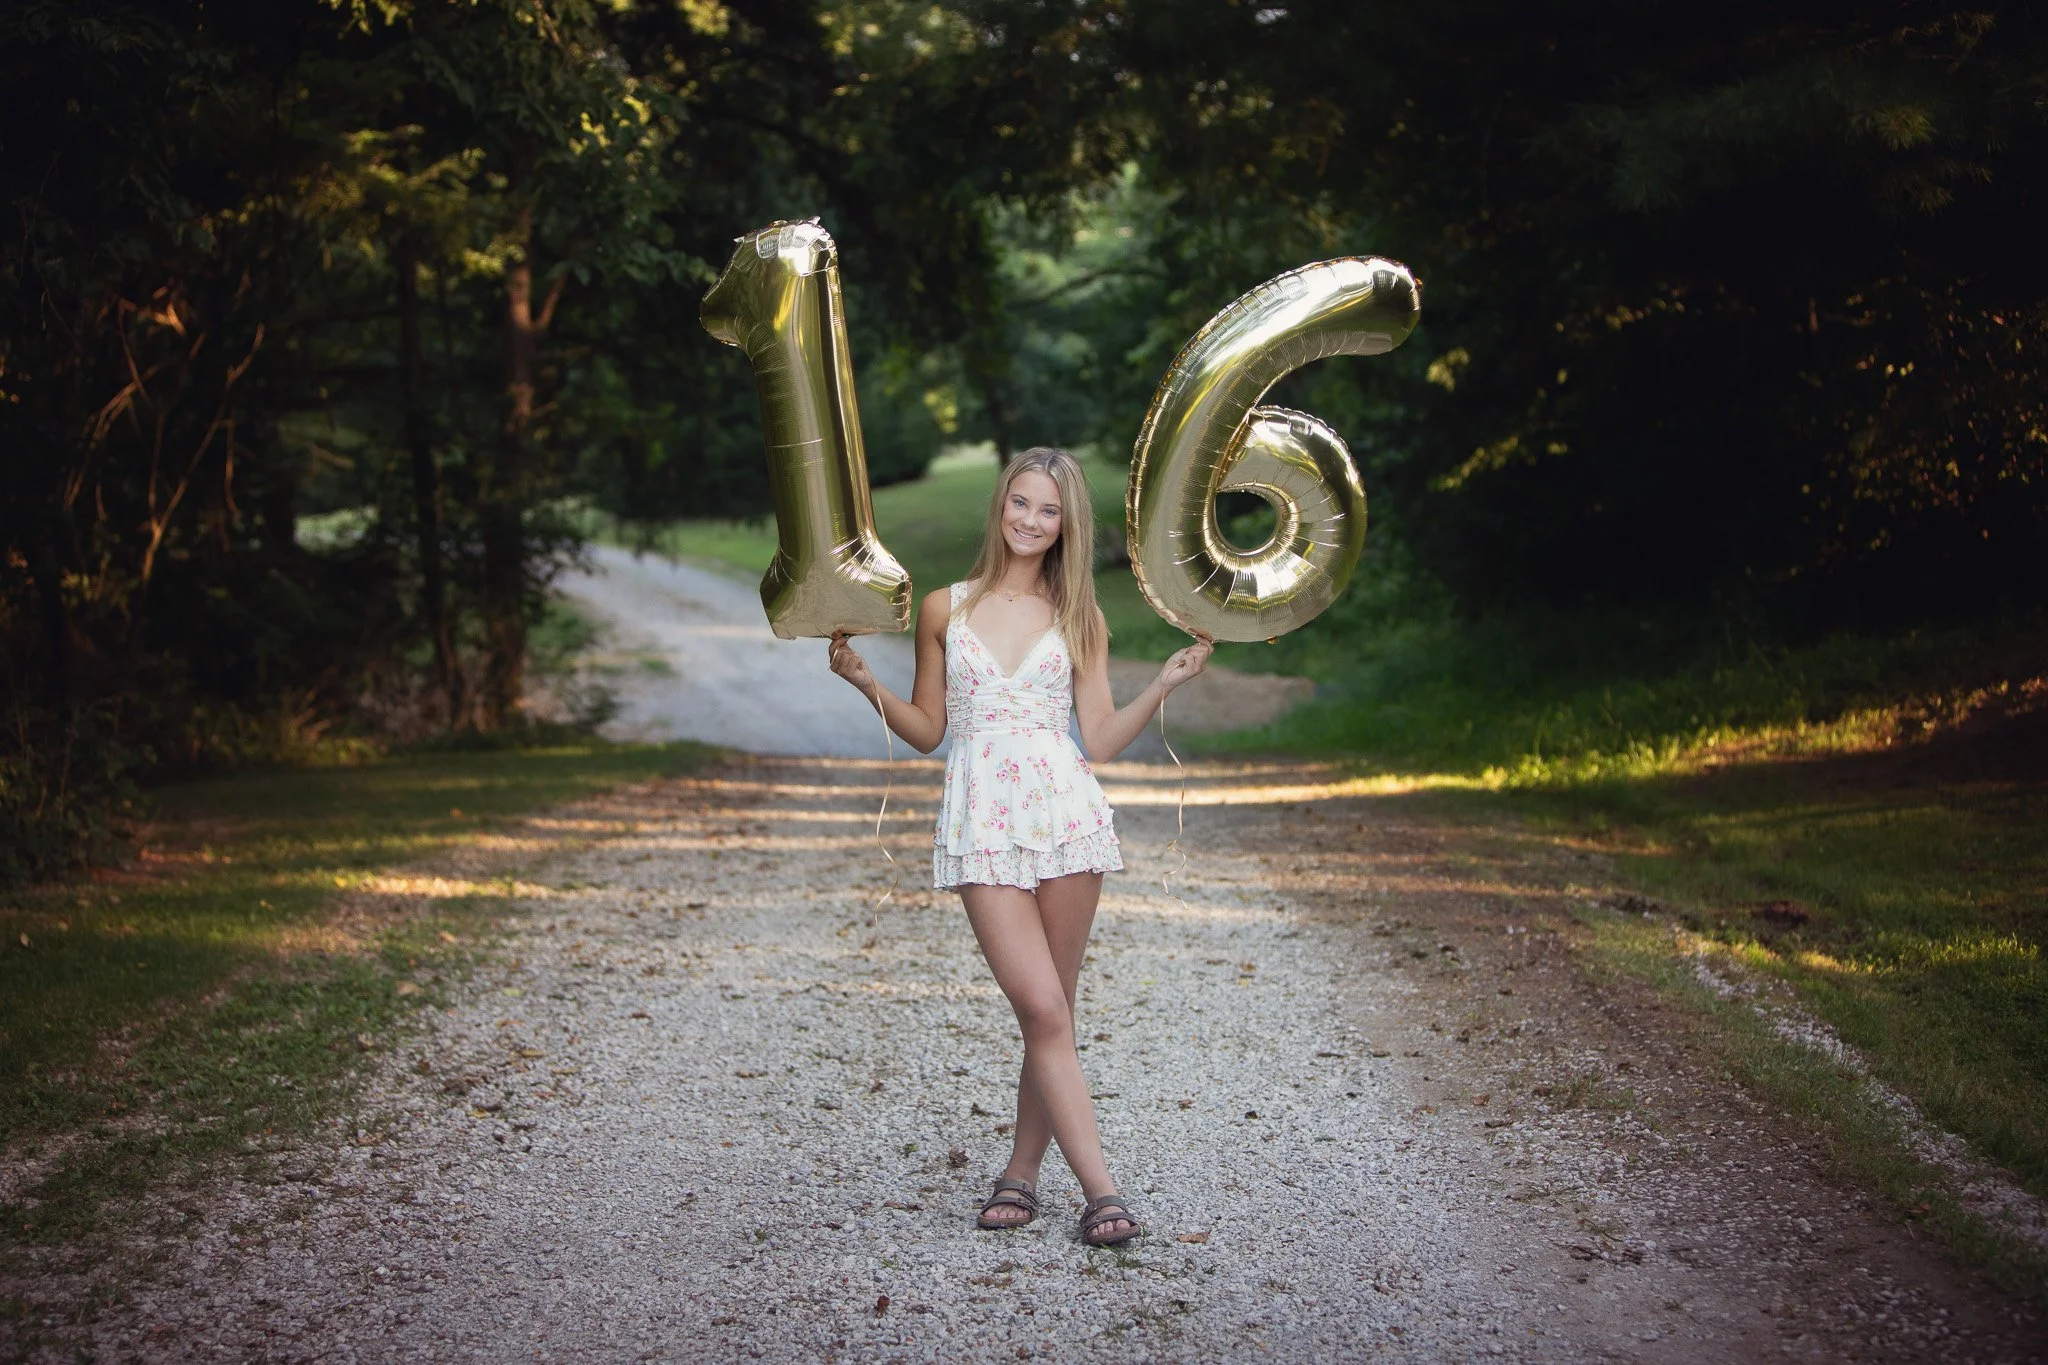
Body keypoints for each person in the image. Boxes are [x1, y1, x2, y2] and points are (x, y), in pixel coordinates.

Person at [827, 446, 1212, 1247]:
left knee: (1055, 1012)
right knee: (1040, 1005)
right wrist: (868, 684)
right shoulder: (945, 608)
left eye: (1049, 511)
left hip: (1067, 813)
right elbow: (932, 732)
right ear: (1000, 504)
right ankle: (1102, 1191)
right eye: (1022, 503)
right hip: (983, 819)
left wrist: (1165, 681)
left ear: (1066, 524)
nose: (1032, 521)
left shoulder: (1079, 617)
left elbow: (1100, 738)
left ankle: (1022, 1171)